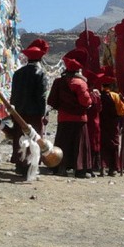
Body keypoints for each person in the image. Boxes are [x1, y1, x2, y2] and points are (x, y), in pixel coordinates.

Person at [47, 49, 93, 178]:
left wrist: (61, 107)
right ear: (78, 70)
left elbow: (52, 100)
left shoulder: (58, 82)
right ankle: (79, 169)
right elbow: (85, 102)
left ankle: (60, 166)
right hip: (79, 119)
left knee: (63, 143)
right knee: (78, 144)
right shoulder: (80, 83)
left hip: (63, 118)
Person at [9, 39, 49, 176]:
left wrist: (13, 112)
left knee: (19, 137)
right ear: (41, 57)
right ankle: (31, 166)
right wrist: (43, 114)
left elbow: (13, 95)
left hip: (19, 112)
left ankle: (20, 166)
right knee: (34, 139)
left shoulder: (18, 73)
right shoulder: (41, 74)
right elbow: (42, 97)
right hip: (35, 113)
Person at [99, 76, 124, 177]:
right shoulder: (115, 96)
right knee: (114, 145)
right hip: (113, 124)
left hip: (101, 123)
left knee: (102, 145)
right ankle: (113, 168)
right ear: (111, 85)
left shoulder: (98, 95)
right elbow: (122, 111)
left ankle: (102, 167)